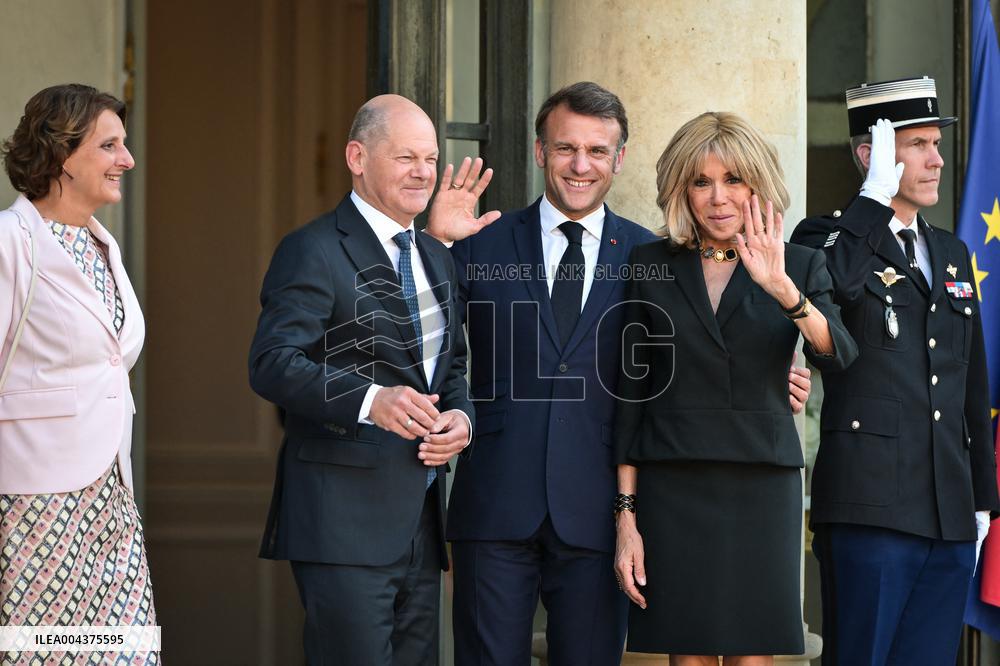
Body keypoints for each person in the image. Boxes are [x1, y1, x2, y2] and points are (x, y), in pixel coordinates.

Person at [426, 84, 814, 664]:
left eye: (598, 151)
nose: (581, 166)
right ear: (539, 152)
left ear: (620, 159)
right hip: (495, 506)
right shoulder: (483, 242)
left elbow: (679, 361)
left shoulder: (648, 256)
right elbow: (419, 340)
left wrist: (770, 375)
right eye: (565, 148)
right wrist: (432, 242)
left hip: (599, 510)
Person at [612, 111, 857, 665]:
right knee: (688, 655)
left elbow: (839, 354)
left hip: (761, 483)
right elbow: (631, 397)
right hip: (672, 486)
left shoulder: (799, 264)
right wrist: (626, 517)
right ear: (682, 189)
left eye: (733, 180)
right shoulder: (648, 265)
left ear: (758, 184)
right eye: (702, 181)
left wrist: (783, 291)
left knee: (754, 656)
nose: (718, 197)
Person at [249, 94, 482, 665]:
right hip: (341, 526)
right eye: (406, 157)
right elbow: (272, 362)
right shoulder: (312, 249)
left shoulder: (435, 255)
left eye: (430, 158)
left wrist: (462, 418)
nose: (423, 172)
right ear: (357, 156)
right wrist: (370, 400)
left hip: (422, 529)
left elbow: (449, 366)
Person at [789, 76, 1000, 665]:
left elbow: (969, 384)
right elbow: (836, 288)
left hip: (948, 511)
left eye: (937, 143)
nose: (936, 160)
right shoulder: (824, 237)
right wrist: (874, 200)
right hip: (870, 508)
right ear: (871, 155)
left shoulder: (952, 252)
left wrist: (982, 500)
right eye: (918, 145)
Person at [0, 84, 157, 663]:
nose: (127, 159)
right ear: (63, 153)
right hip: (38, 502)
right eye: (110, 145)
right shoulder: (9, 242)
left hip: (110, 495)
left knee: (128, 654)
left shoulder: (103, 245)